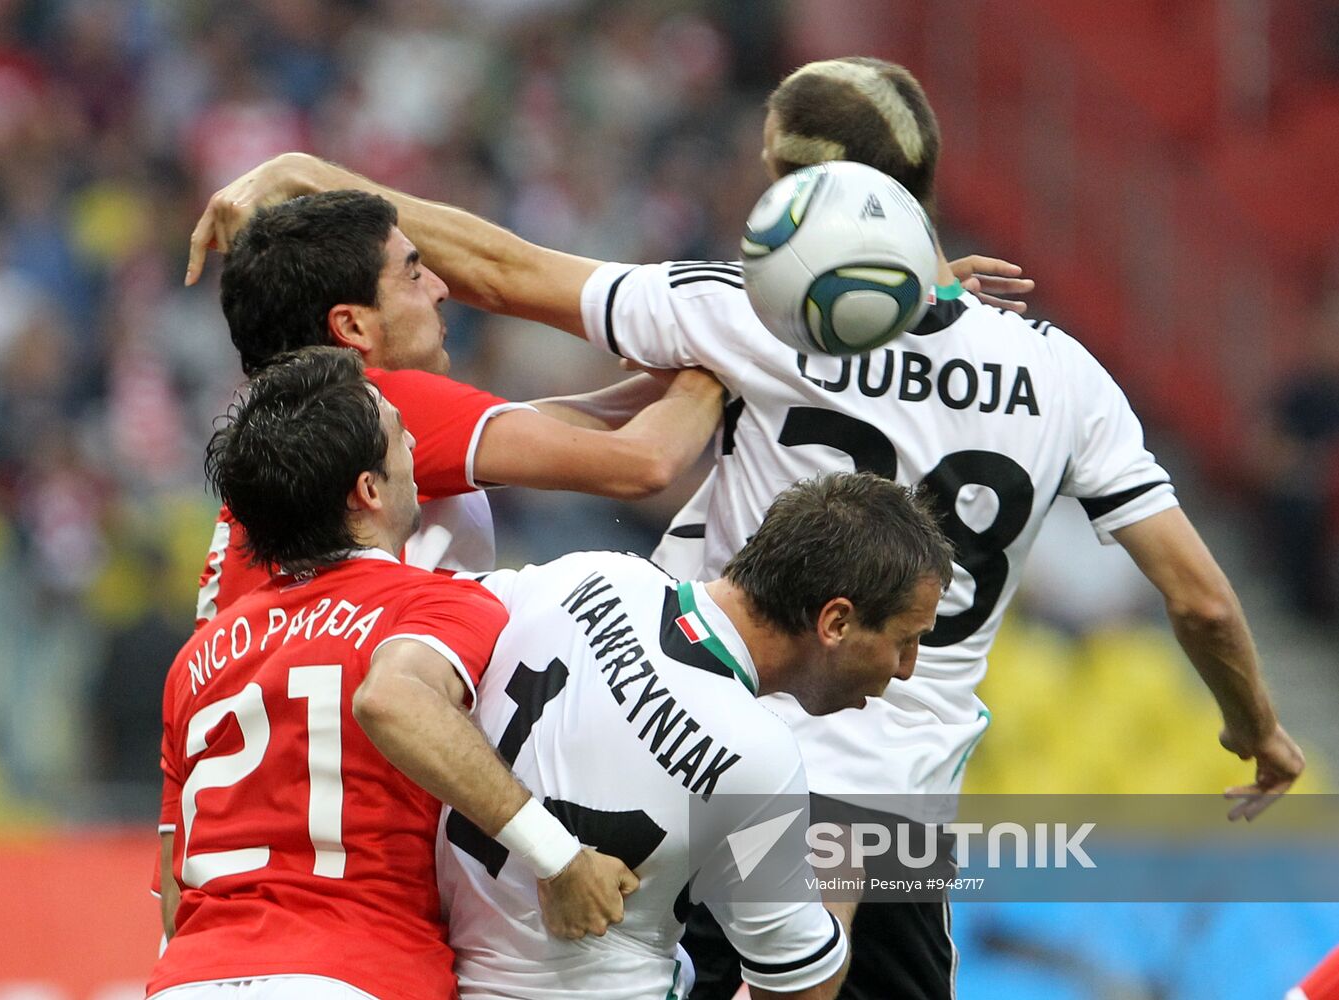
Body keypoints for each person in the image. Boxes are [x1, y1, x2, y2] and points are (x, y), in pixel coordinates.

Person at [185, 57, 1305, 1000]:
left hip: (697, 736)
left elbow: (507, 271)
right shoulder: (1062, 372)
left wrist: (314, 179)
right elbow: (1199, 596)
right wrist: (1258, 728)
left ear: (800, 193)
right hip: (883, 805)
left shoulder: (741, 311)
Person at [150, 347, 637, 1000]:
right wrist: (560, 859)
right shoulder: (432, 603)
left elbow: (173, 882)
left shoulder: (197, 661)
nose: (412, 441)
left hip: (189, 978)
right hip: (355, 970)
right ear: (368, 490)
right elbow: (391, 699)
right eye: (397, 430)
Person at [438, 470, 954, 1000]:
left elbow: (419, 665)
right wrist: (839, 877)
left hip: (437, 967)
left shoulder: (593, 572)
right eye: (906, 640)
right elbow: (801, 990)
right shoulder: (759, 759)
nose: (907, 669)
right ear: (836, 622)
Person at [194, 189, 725, 625]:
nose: (442, 288)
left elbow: (561, 427)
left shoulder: (301, 415)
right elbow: (644, 463)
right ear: (351, 326)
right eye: (413, 274)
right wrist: (727, 351)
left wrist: (676, 378)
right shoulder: (371, 402)